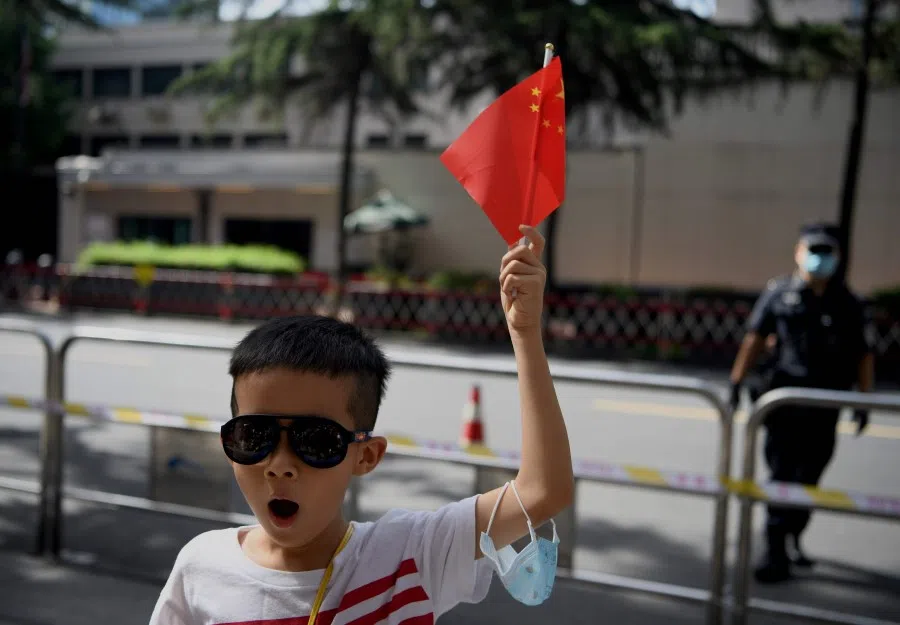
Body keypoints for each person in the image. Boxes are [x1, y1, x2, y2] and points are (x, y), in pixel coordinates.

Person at [149, 224, 574, 624]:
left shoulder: (407, 559)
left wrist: (524, 333)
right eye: (254, 436)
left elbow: (541, 491)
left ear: (366, 455)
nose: (279, 464)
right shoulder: (200, 566)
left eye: (315, 440)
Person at [728, 222, 875, 584]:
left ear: (838, 258)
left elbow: (863, 354)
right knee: (781, 476)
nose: (819, 259)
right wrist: (736, 382)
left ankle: (793, 535)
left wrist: (864, 400)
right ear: (798, 252)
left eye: (827, 253)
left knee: (809, 478)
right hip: (784, 405)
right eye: (813, 251)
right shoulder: (780, 294)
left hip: (825, 407)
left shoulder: (849, 303)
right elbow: (755, 339)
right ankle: (774, 548)